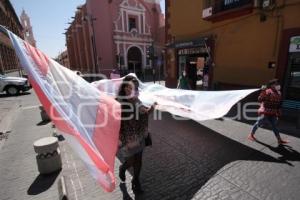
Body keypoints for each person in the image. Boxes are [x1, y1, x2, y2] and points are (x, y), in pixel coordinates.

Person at [116, 75, 156, 194]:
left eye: (133, 88)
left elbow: (145, 112)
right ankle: (123, 168)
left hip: (138, 136)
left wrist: (153, 107)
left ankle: (136, 181)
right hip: (127, 137)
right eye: (128, 87)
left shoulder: (136, 101)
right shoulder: (118, 101)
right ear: (124, 87)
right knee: (131, 161)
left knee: (138, 159)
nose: (130, 90)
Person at [248, 79, 289, 145]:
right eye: (276, 84)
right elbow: (260, 99)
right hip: (265, 112)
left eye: (278, 84)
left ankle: (279, 140)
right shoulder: (267, 91)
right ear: (271, 85)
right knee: (258, 123)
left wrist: (279, 111)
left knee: (274, 126)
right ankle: (251, 135)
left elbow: (279, 103)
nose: (277, 85)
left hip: (273, 112)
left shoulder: (279, 92)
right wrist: (263, 91)